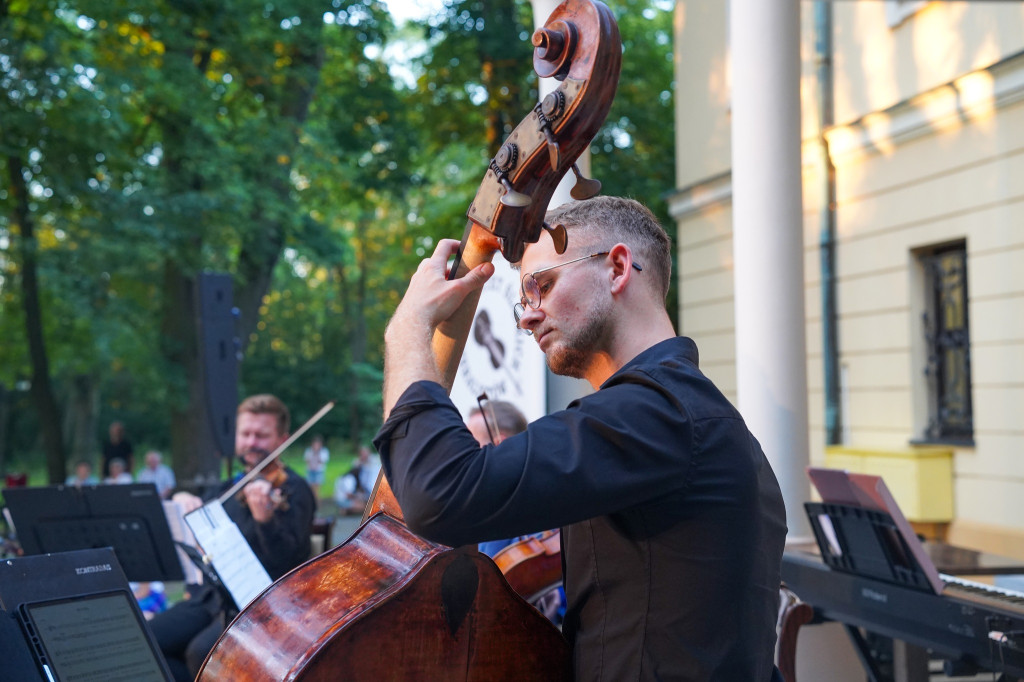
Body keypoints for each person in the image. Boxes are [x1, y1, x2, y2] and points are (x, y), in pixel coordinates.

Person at [373, 196, 788, 680]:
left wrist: (406, 333)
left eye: (542, 286)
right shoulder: (679, 412)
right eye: (523, 301)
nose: (528, 318)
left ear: (616, 268)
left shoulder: (656, 413)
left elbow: (439, 494)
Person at [148, 394, 316, 682]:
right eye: (246, 434)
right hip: (213, 599)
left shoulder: (295, 490)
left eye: (261, 436)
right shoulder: (229, 486)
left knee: (200, 651)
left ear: (281, 439)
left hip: (263, 605)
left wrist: (265, 520)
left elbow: (287, 560)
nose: (251, 442)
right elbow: (198, 513)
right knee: (147, 640)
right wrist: (182, 497)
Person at [333, 445, 381, 515]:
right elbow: (348, 494)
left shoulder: (373, 462)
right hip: (343, 500)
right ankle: (346, 509)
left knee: (365, 504)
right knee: (365, 507)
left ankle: (349, 509)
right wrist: (358, 497)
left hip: (349, 496)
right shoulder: (350, 479)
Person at [302, 434, 330, 500]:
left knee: (317, 490)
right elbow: (307, 460)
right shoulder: (309, 451)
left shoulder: (323, 451)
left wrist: (317, 453)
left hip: (319, 472)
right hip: (310, 471)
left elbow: (322, 461)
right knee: (310, 489)